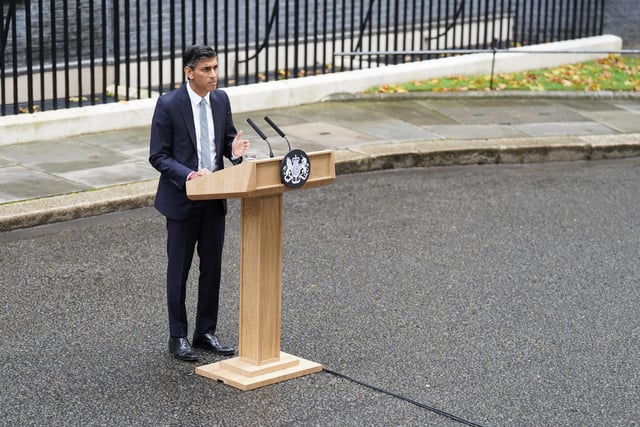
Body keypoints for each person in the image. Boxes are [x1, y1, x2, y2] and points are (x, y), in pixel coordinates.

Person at [149, 45, 249, 361]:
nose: (214, 75)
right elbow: (159, 156)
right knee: (179, 271)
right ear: (189, 72)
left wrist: (236, 152)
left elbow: (227, 145)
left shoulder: (221, 100)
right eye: (206, 69)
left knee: (212, 268)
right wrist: (190, 174)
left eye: (215, 68)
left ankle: (205, 332)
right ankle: (177, 336)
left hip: (214, 198)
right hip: (183, 200)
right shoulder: (168, 105)